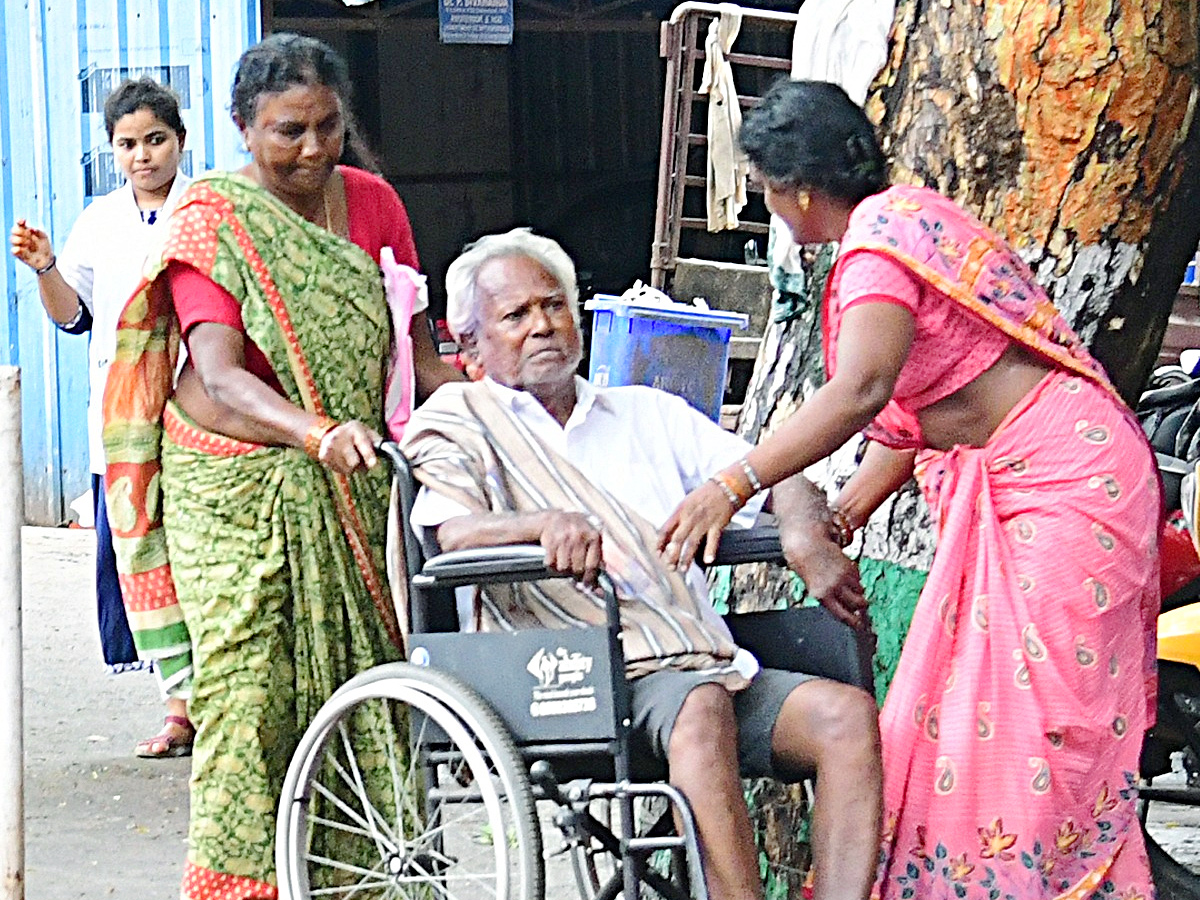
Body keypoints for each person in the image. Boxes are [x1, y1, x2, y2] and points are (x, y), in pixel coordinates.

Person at [660, 79, 1160, 900]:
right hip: (1048, 470)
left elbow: (861, 389)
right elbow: (914, 413)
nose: (772, 210)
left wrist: (735, 481)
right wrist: (846, 510)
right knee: (966, 725)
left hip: (1064, 484)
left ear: (800, 191)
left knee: (1038, 733)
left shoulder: (878, 244)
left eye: (767, 193)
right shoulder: (911, 217)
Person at [400, 227, 883, 900]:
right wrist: (540, 526)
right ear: (470, 345)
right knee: (700, 704)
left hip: (696, 660)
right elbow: (451, 533)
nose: (542, 325)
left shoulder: (646, 412)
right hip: (567, 676)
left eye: (553, 306)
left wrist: (803, 536)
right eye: (516, 316)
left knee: (846, 717)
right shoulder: (461, 416)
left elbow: (781, 480)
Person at [101, 33, 461, 900]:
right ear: (241, 128)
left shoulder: (374, 206)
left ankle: (365, 880)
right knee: (247, 696)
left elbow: (417, 351)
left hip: (351, 477)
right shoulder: (213, 220)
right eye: (287, 131)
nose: (311, 150)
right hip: (233, 486)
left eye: (328, 129)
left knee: (365, 685)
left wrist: (494, 408)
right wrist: (314, 433)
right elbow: (219, 372)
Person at [9, 77, 194, 758]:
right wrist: (46, 267)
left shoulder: (206, 211)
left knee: (202, 561)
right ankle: (178, 710)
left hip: (198, 416)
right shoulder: (98, 221)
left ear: (180, 141)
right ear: (112, 151)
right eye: (128, 144)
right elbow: (73, 317)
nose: (143, 155)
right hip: (122, 427)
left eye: (155, 140)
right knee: (143, 562)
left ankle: (215, 706)